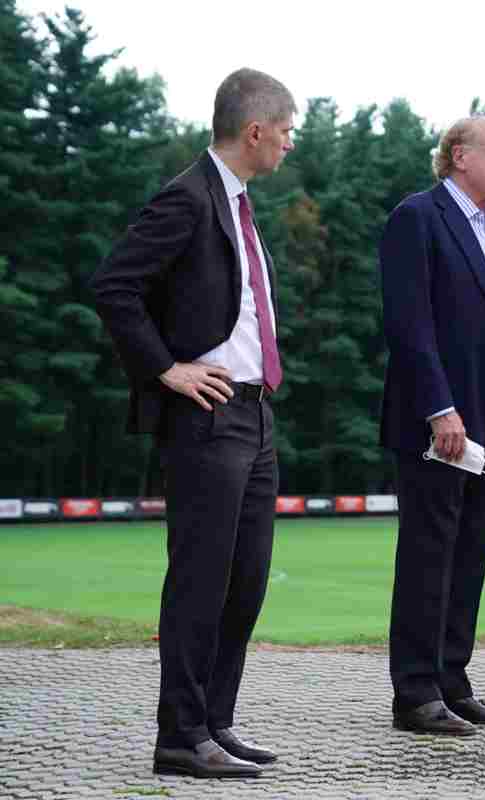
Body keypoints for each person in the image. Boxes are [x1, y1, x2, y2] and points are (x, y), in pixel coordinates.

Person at [91, 68, 295, 777]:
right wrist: (166, 369)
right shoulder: (187, 197)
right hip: (207, 418)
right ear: (255, 131)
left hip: (255, 416)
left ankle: (214, 723)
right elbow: (114, 286)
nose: (290, 143)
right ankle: (179, 737)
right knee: (201, 581)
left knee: (246, 581)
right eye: (287, 130)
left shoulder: (237, 202)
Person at [379, 116, 485, 736]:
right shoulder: (418, 217)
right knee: (429, 550)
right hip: (443, 417)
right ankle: (416, 693)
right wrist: (439, 409)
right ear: (458, 156)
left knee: (471, 551)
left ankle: (451, 681)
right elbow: (409, 323)